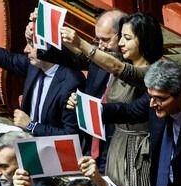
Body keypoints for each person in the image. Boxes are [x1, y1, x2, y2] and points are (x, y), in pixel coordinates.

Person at [63, 12, 164, 186]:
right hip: (115, 145)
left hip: (137, 152)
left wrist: (80, 42)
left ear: (144, 41)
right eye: (121, 37)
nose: (121, 43)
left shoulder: (154, 72)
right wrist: (81, 103)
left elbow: (119, 73)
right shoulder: (119, 60)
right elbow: (89, 57)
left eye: (127, 38)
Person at [32, 9, 125, 168]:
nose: (100, 46)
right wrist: (41, 34)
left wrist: (92, 107)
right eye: (97, 40)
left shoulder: (133, 70)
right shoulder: (98, 57)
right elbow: (70, 58)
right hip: (91, 146)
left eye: (105, 40)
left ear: (123, 36)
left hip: (117, 150)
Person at [0, 28, 84, 136]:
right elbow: (6, 58)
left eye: (32, 45)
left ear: (48, 48)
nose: (26, 50)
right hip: (25, 137)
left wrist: (31, 125)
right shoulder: (34, 65)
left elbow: (71, 134)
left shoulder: (71, 83)